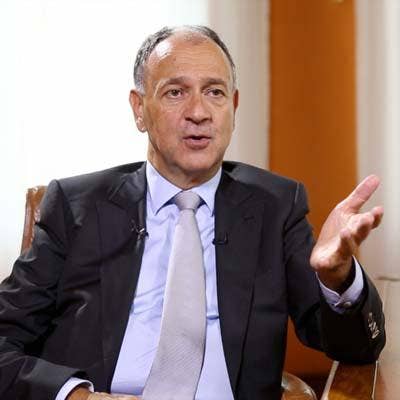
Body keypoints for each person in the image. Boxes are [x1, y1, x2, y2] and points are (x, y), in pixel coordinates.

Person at [0, 25, 385, 400]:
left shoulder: (275, 207)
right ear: (139, 109)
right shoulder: (77, 206)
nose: (199, 112)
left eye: (215, 92)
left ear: (233, 107)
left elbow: (358, 348)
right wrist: (79, 396)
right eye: (175, 92)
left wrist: (338, 279)